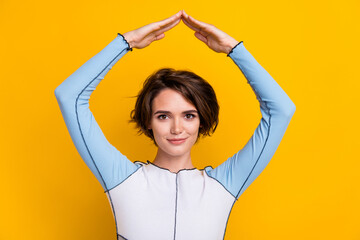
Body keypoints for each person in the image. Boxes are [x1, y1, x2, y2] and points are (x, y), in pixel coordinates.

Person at [54, 10, 296, 240]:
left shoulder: (226, 183)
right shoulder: (121, 178)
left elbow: (281, 111)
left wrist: (233, 49)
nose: (177, 128)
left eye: (189, 115)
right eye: (163, 116)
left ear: (202, 120)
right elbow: (69, 96)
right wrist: (125, 43)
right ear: (148, 120)